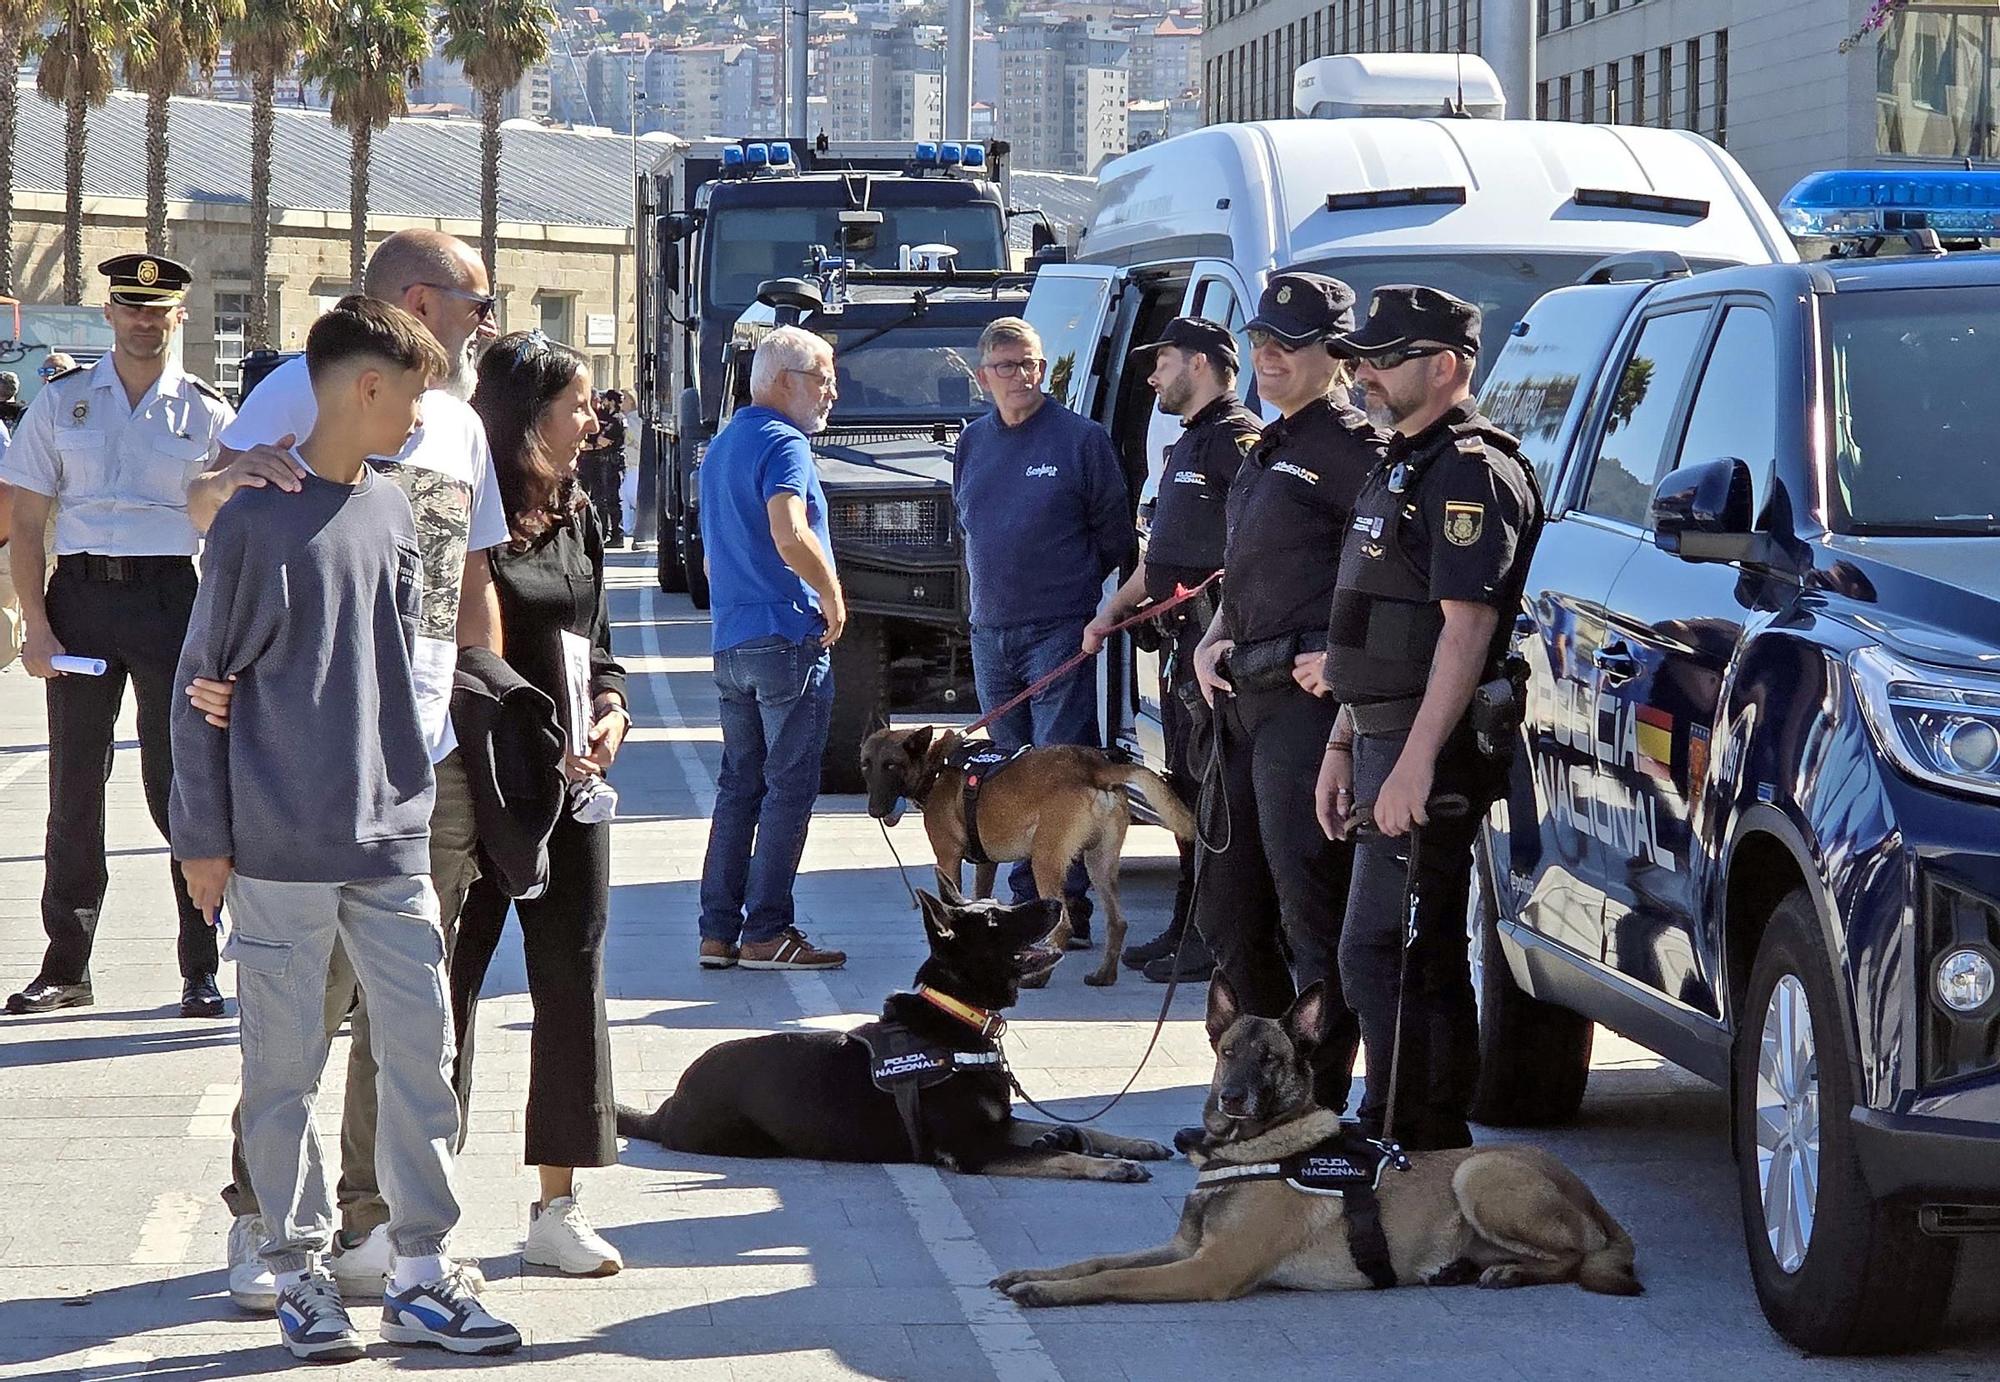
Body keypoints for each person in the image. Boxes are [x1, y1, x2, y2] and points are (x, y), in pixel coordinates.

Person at [169, 296, 520, 1362]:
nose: (425, 414)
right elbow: (199, 682)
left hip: (390, 843)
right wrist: (203, 838)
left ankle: (420, 1271)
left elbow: (410, 663)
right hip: (275, 851)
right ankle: (296, 1271)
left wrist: (415, 793)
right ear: (366, 387)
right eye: (413, 394)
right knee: (283, 1071)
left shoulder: (399, 507)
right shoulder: (253, 517)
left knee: (423, 1054)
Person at [1316, 285, 1540, 1152]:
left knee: (1383, 950)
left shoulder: (1471, 471)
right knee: (1413, 950)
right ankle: (1424, 1132)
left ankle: (1406, 1131)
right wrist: (1344, 739)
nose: (1363, 373)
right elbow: (1368, 616)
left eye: (1383, 358)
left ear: (1444, 367)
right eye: (1362, 358)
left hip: (1426, 746)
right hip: (1378, 735)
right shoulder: (1402, 459)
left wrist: (1413, 765)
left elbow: (1467, 630)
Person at [0, 254, 233, 1019]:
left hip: (173, 602)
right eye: (130, 307)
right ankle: (67, 966)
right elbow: (28, 523)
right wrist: (36, 626)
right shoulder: (63, 403)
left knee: (183, 786)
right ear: (109, 315)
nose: (143, 321)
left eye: (157, 309)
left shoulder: (207, 414)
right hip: (83, 601)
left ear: (179, 318)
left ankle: (200, 967)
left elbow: (233, 536)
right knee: (73, 791)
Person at [451, 331, 630, 1276]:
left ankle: (558, 1205)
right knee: (448, 988)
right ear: (528, 419)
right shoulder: (460, 511)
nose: (595, 420)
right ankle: (414, 1209)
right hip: (477, 784)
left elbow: (596, 646)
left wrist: (612, 714)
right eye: (579, 406)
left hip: (573, 788)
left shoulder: (578, 513)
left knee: (573, 981)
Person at [1189, 272, 1388, 1114]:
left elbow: (1385, 578)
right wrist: (1210, 632)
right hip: (1241, 699)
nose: (1265, 354)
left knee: (1311, 912)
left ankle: (1320, 1098)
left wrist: (1342, 670)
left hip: (1307, 711)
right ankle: (1254, 1085)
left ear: (1334, 356)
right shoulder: (1268, 443)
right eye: (1259, 339)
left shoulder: (1357, 450)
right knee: (1229, 912)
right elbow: (1249, 565)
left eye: (1288, 344)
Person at [1083, 317, 1257, 983]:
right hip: (1181, 644)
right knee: (1186, 791)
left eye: (1163, 361)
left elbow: (1256, 552)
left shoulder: (1239, 442)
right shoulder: (1190, 443)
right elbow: (1161, 558)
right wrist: (1110, 614)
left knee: (1215, 798)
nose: (1152, 376)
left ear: (1203, 364)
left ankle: (1214, 940)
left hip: (1218, 648)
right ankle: (1188, 923)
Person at [954, 317, 1131, 944]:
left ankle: (1064, 910)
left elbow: (1116, 536)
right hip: (990, 631)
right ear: (984, 377)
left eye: (1031, 363)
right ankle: (1026, 907)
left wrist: (1092, 607)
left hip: (1060, 629)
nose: (1023, 376)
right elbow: (969, 529)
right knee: (1007, 773)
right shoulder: (973, 443)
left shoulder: (1080, 440)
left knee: (1058, 775)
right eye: (1008, 366)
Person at [696, 325, 848, 971]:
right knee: (789, 787)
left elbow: (709, 562)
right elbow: (789, 532)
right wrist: (832, 593)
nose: (832, 392)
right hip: (786, 636)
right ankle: (767, 932)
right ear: (783, 381)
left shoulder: (722, 445)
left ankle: (717, 932)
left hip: (732, 640)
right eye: (822, 378)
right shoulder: (785, 442)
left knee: (739, 786)